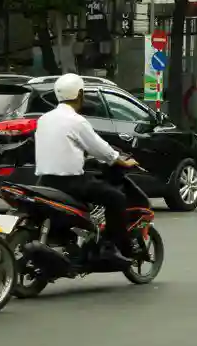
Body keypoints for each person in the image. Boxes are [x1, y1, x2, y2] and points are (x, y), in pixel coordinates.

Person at [35, 73, 139, 266]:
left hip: (44, 181)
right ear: (80, 94)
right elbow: (100, 148)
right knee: (116, 198)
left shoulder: (44, 119)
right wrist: (121, 161)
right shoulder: (77, 121)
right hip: (71, 183)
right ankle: (111, 247)